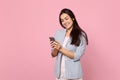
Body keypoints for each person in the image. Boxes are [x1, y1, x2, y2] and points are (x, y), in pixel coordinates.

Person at [50, 8, 88, 80]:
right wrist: (56, 48)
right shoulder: (58, 33)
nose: (65, 22)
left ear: (73, 18)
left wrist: (60, 48)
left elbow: (77, 56)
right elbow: (53, 54)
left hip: (74, 75)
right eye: (62, 20)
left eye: (66, 18)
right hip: (60, 75)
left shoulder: (81, 35)